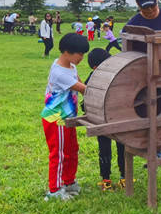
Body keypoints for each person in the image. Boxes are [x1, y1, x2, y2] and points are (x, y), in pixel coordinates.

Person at [41, 33, 89, 201]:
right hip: (57, 119)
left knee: (71, 150)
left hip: (68, 118)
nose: (82, 57)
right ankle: (54, 190)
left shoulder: (69, 65)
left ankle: (69, 182)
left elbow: (80, 82)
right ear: (67, 52)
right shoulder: (59, 73)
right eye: (80, 54)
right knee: (59, 153)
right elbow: (83, 89)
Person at [83, 49, 126, 191]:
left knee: (109, 149)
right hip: (113, 119)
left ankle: (113, 179)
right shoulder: (116, 75)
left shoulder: (93, 77)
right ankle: (116, 178)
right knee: (116, 149)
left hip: (105, 119)